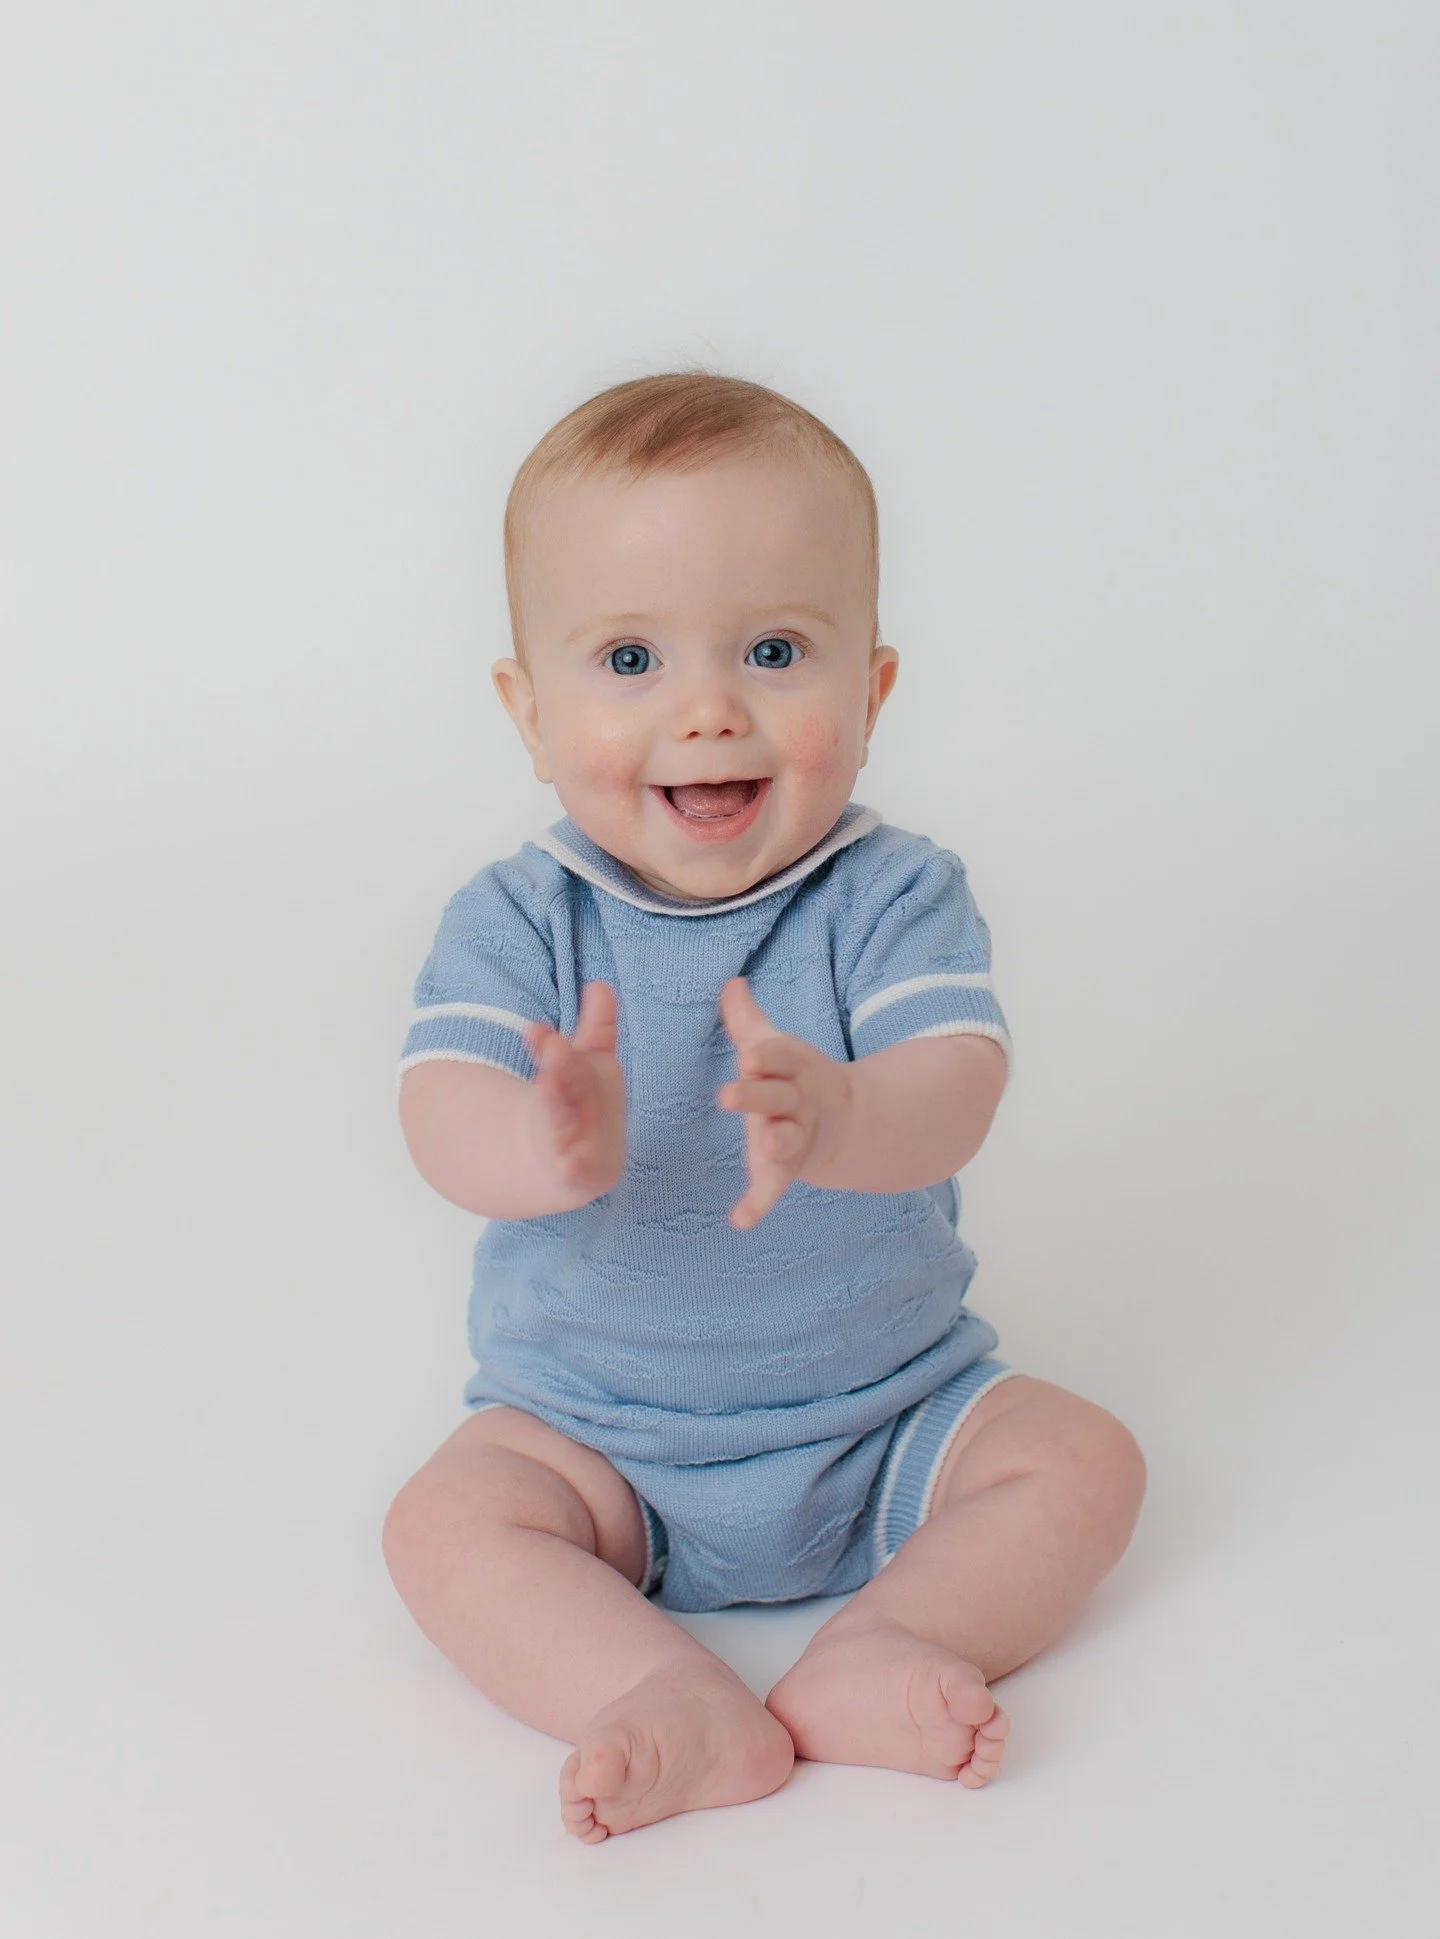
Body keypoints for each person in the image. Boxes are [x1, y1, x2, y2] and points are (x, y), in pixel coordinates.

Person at [382, 372, 1146, 1843]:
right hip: (597, 1446)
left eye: (777, 648)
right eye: (628, 657)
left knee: (1084, 1460)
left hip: (889, 1421)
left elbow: (959, 1085)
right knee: (445, 1525)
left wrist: (847, 1116)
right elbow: (436, 1107)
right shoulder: (521, 919)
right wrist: (540, 1145)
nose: (709, 708)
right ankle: (656, 1686)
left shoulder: (893, 895)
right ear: (528, 713)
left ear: (872, 690)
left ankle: (885, 1643)